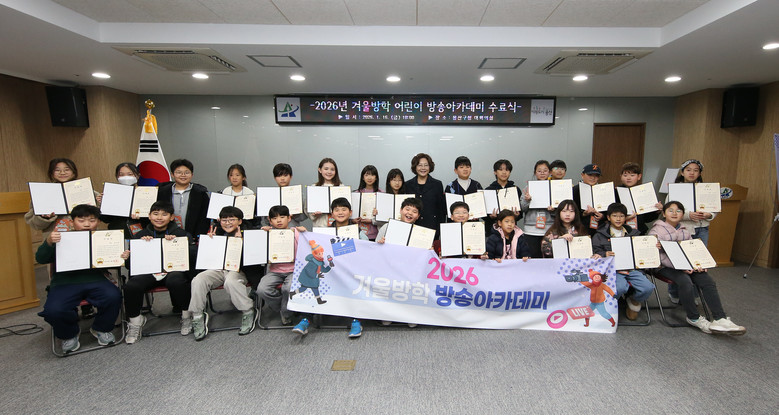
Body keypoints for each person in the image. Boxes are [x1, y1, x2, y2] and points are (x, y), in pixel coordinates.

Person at [36, 204, 128, 352]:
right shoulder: (60, 238)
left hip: (96, 279)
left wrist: (122, 256)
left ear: (98, 222)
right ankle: (69, 334)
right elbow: (40, 258)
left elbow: (115, 262)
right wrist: (49, 242)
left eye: (92, 220)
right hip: (65, 282)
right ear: (72, 222)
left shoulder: (104, 238)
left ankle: (101, 328)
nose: (86, 224)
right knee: (54, 310)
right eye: (81, 220)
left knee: (113, 296)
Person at [648, 201, 746, 335]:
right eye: (670, 210)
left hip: (686, 266)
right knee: (685, 281)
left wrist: (698, 264)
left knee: (707, 280)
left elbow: (691, 250)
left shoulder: (685, 231)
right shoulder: (655, 231)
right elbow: (656, 256)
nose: (674, 213)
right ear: (664, 214)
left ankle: (720, 318)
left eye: (678, 211)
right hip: (664, 267)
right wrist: (680, 267)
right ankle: (693, 317)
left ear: (683, 214)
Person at [123, 201, 194, 343]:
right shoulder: (140, 236)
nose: (159, 218)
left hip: (172, 271)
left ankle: (187, 316)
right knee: (131, 286)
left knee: (177, 281)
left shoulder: (181, 234)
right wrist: (129, 256)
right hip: (149, 272)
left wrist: (176, 244)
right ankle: (136, 322)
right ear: (149, 216)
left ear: (172, 217)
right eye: (155, 214)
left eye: (164, 214)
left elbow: (191, 259)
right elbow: (130, 266)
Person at [189, 206, 255, 340]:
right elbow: (206, 258)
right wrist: (209, 243)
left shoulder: (249, 233)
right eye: (224, 220)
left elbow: (254, 259)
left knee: (231, 281)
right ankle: (197, 316)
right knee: (198, 280)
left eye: (232, 220)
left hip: (239, 270)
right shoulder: (216, 232)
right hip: (219, 269)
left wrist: (241, 243)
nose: (228, 223)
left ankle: (248, 311)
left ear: (240, 221)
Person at [591, 202, 655, 321]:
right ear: (608, 217)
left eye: (621, 216)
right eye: (615, 216)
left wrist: (652, 247)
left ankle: (634, 300)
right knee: (619, 288)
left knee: (648, 287)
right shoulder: (600, 235)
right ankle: (611, 306)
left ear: (626, 218)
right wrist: (604, 254)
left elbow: (641, 251)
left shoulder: (634, 233)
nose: (618, 219)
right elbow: (595, 252)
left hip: (632, 269)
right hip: (613, 270)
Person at [667, 159, 713, 304]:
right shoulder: (675, 189)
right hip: (683, 228)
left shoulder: (706, 189)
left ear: (700, 173)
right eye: (688, 170)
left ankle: (693, 295)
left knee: (698, 262)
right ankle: (674, 293)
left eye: (695, 170)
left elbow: (714, 207)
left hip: (702, 228)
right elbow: (669, 209)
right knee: (679, 261)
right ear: (682, 172)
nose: (692, 173)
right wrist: (688, 215)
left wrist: (709, 214)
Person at [25, 158, 99, 237]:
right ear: (51, 173)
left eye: (67, 170)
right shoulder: (43, 193)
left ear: (74, 172)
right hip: (55, 237)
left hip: (85, 235)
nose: (62, 173)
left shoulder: (86, 189)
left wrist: (100, 202)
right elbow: (34, 224)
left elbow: (100, 215)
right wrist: (44, 217)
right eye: (57, 170)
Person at [258, 205, 305, 325]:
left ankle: (286, 313)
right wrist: (261, 234)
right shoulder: (268, 233)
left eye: (282, 217)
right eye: (274, 218)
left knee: (288, 288)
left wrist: (305, 233)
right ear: (270, 220)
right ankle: (284, 307)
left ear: (289, 218)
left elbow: (307, 248)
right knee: (262, 289)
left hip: (294, 270)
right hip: (275, 271)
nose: (278, 220)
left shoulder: (296, 232)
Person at [157, 159, 211, 238]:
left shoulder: (200, 194)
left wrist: (198, 237)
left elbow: (204, 219)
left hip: (193, 237)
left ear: (192, 175)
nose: (183, 175)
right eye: (179, 172)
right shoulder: (162, 192)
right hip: (167, 236)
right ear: (172, 174)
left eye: (187, 172)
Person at [100, 162, 146, 238]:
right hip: (117, 233)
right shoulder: (111, 193)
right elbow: (106, 219)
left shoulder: (146, 193)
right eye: (121, 175)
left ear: (138, 175)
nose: (126, 177)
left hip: (141, 234)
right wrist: (104, 203)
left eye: (130, 174)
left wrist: (141, 216)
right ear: (117, 177)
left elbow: (153, 217)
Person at [404, 153, 446, 236]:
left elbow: (441, 210)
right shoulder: (408, 185)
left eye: (426, 165)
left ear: (430, 167)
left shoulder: (437, 184)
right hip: (413, 226)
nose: (423, 168)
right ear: (415, 167)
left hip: (432, 227)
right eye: (420, 165)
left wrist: (439, 229)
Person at [520, 160, 555, 257]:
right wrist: (527, 201)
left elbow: (561, 211)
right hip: (531, 230)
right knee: (533, 258)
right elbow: (522, 208)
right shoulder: (528, 188)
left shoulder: (554, 187)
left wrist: (553, 210)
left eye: (545, 170)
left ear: (550, 172)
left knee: (548, 258)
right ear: (535, 173)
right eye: (539, 171)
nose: (542, 173)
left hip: (550, 229)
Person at [615, 162, 662, 234]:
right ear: (621, 176)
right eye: (625, 175)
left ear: (639, 176)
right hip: (618, 230)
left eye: (632, 175)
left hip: (639, 231)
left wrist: (657, 211)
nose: (628, 178)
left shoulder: (644, 192)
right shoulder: (615, 192)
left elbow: (647, 219)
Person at [260, 163, 309, 230]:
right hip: (273, 231)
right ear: (275, 178)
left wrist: (294, 215)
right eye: (279, 176)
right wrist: (266, 226)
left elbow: (304, 215)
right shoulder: (269, 195)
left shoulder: (297, 194)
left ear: (291, 176)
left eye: (285, 175)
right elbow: (264, 218)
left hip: (292, 229)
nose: (282, 178)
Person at [307, 157, 343, 228]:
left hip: (338, 226)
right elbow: (308, 210)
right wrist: (314, 214)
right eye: (326, 169)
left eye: (332, 169)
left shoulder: (341, 187)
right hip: (320, 225)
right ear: (320, 170)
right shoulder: (314, 188)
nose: (329, 172)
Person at [571, 163, 604, 236]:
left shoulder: (603, 190)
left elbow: (609, 210)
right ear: (582, 175)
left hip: (600, 228)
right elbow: (570, 211)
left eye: (596, 175)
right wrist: (583, 214)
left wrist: (602, 216)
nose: (593, 178)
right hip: (580, 227)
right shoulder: (574, 190)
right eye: (590, 175)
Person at [355, 165, 381, 240]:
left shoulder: (381, 194)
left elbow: (384, 218)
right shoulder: (357, 193)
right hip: (359, 233)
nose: (369, 178)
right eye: (367, 175)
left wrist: (372, 220)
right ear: (363, 177)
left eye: (372, 175)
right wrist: (354, 219)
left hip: (376, 234)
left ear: (376, 177)